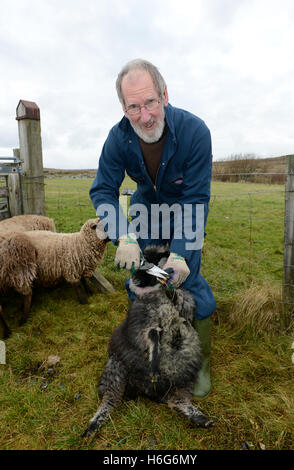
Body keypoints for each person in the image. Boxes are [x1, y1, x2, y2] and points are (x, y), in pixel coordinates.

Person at [90, 59, 216, 397]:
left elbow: (195, 199)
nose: (144, 116)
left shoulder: (195, 132)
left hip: (184, 209)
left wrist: (179, 253)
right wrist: (124, 235)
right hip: (146, 211)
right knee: (142, 281)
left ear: (164, 95)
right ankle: (146, 359)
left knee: (186, 282)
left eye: (150, 102)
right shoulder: (117, 139)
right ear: (124, 107)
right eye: (134, 106)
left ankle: (196, 365)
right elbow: (102, 190)